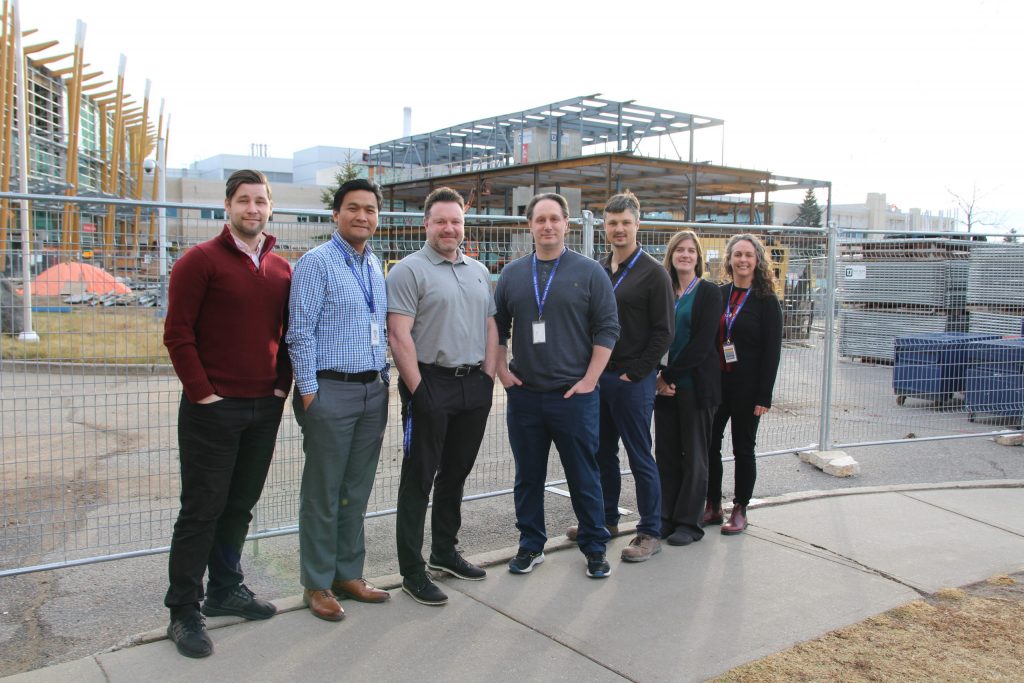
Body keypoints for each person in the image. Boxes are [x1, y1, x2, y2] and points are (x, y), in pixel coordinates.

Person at [162, 169, 291, 658]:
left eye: (260, 200)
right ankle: (184, 610)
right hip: (211, 410)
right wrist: (203, 395)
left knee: (239, 506)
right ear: (228, 206)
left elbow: (288, 333)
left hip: (264, 408)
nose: (252, 209)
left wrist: (281, 387)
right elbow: (178, 335)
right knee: (201, 509)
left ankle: (225, 590)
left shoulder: (281, 269)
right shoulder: (199, 262)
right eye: (244, 200)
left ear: (270, 207)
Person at [494, 193, 620, 579]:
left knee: (584, 474)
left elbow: (608, 328)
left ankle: (595, 547)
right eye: (539, 219)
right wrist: (502, 372)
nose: (547, 226)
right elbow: (496, 328)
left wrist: (590, 380)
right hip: (526, 396)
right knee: (528, 476)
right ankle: (531, 544)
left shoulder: (589, 272)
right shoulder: (512, 274)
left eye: (554, 219)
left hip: (574, 397)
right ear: (530, 225)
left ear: (567, 223)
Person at [387, 187, 499, 606]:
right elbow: (399, 336)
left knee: (455, 474)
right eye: (441, 221)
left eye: (456, 221)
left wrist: (487, 379)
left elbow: (490, 327)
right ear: (426, 224)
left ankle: (444, 552)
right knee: (419, 479)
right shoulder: (408, 271)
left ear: (462, 225)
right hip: (429, 383)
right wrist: (420, 391)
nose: (449, 228)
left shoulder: (477, 270)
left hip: (473, 385)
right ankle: (412, 571)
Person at [287, 179, 391, 621]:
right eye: (353, 208)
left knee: (355, 489)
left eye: (369, 209)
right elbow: (299, 332)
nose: (362, 216)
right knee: (323, 491)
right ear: (336, 214)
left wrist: (383, 379)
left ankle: (349, 573)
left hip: (372, 390)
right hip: (330, 391)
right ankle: (317, 583)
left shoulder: (373, 265)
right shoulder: (317, 263)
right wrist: (310, 393)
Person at [568, 191, 673, 563]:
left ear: (637, 225)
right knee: (601, 454)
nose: (618, 229)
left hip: (632, 381)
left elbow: (664, 331)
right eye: (612, 223)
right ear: (604, 227)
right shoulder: (598, 269)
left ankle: (649, 531)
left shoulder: (653, 273)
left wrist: (636, 372)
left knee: (639, 455)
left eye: (625, 222)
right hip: (599, 379)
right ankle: (605, 521)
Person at [706, 233, 783, 534]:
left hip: (748, 389)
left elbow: (772, 352)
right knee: (710, 444)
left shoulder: (766, 301)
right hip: (718, 385)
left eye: (748, 255)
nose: (742, 260)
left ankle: (740, 507)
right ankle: (713, 504)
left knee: (743, 448)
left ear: (757, 261)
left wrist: (764, 394)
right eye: (737, 255)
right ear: (729, 260)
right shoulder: (719, 295)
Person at [654, 230, 723, 546]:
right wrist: (658, 375)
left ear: (698, 257)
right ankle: (666, 517)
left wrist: (667, 375)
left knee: (695, 455)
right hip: (665, 388)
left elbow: (701, 344)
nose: (684, 255)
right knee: (666, 454)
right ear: (671, 255)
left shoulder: (709, 293)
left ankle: (689, 523)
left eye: (690, 250)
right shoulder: (662, 289)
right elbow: (652, 335)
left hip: (695, 386)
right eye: (679, 250)